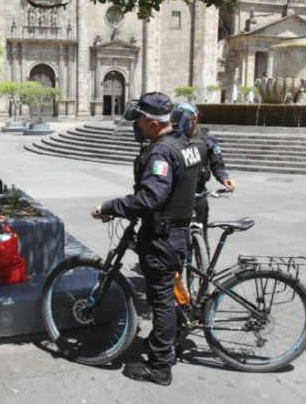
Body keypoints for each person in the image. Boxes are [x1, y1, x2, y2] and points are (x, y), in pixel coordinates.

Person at [91, 92, 201, 386]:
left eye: (139, 120)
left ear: (153, 123)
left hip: (163, 236)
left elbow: (151, 196)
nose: (135, 125)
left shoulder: (160, 153)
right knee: (168, 293)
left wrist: (110, 207)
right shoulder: (185, 143)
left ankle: (160, 367)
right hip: (177, 231)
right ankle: (163, 343)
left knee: (161, 299)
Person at [171, 102, 236, 253]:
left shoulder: (207, 139)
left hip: (198, 194)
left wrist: (224, 178)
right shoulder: (171, 139)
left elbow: (217, 165)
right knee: (175, 240)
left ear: (193, 119)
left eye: (182, 118)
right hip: (176, 197)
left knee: (201, 237)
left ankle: (203, 270)